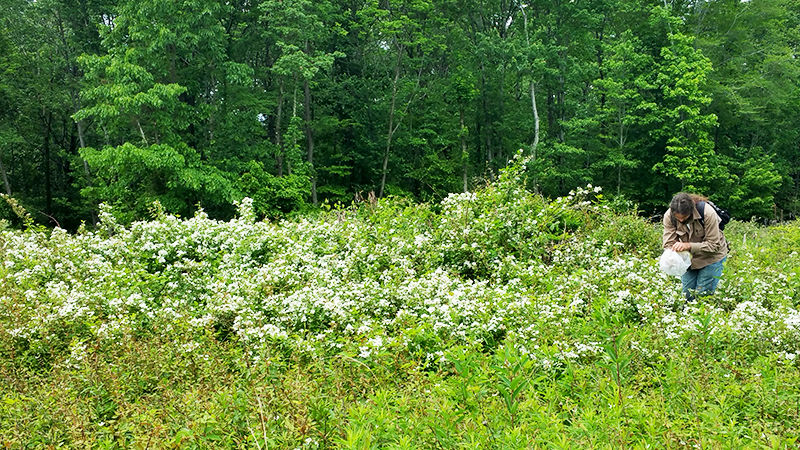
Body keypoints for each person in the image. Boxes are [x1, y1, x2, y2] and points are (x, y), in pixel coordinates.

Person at [662, 192, 729, 300]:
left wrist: (688, 246)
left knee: (702, 296)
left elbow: (713, 245)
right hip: (689, 260)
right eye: (678, 218)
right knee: (687, 295)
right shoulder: (669, 216)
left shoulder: (707, 212)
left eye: (684, 217)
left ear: (691, 210)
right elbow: (668, 244)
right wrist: (672, 253)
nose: (681, 220)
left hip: (712, 258)